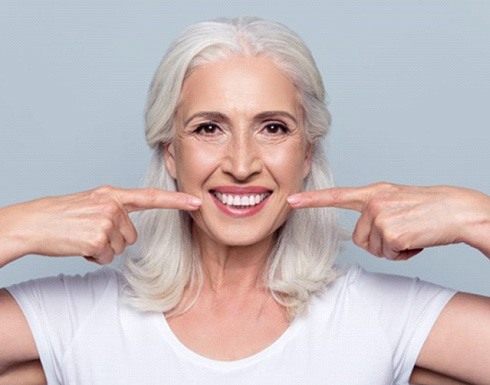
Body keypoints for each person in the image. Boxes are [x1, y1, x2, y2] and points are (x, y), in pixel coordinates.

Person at [0, 16, 489, 385]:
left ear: (306, 154)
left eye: (273, 128)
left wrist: (475, 216)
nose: (240, 163)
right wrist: (13, 229)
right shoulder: (78, 317)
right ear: (171, 153)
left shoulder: (377, 317)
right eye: (208, 128)